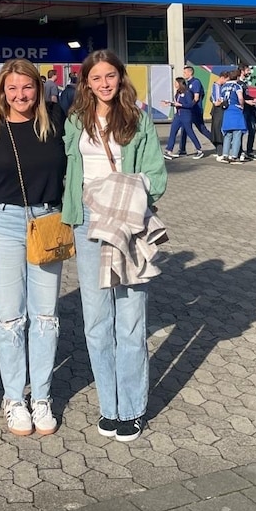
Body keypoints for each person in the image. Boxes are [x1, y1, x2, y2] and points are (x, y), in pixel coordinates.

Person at [62, 50, 167, 442]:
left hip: (126, 219)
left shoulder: (137, 120)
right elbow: (68, 172)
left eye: (110, 76)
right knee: (96, 319)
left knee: (130, 316)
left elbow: (156, 176)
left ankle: (134, 408)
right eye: (96, 78)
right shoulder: (75, 121)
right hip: (88, 222)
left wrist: (124, 196)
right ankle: (110, 405)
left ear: (121, 79)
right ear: (86, 83)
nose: (104, 84)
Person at [0, 59, 67, 437]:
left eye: (27, 87)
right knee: (10, 316)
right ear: (1, 90)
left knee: (46, 315)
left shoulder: (55, 118)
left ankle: (43, 397)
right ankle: (15, 397)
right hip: (2, 221)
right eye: (12, 88)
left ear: (39, 87)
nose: (20, 95)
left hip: (48, 220)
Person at [162, 77, 204, 159]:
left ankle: (199, 150)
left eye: (176, 83)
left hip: (186, 116)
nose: (175, 84)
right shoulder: (178, 92)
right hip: (178, 116)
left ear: (180, 83)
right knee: (173, 132)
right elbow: (177, 103)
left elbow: (190, 105)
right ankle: (169, 150)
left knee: (190, 132)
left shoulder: (187, 93)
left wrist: (180, 105)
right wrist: (170, 104)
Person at [178, 65, 211, 155]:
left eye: (185, 72)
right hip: (188, 111)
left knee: (202, 129)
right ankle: (182, 149)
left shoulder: (196, 82)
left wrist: (190, 105)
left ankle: (219, 144)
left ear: (190, 72)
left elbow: (196, 97)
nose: (183, 74)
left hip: (196, 110)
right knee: (184, 128)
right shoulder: (187, 83)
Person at [218, 70, 245, 163]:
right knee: (237, 133)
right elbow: (240, 98)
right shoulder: (237, 86)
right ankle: (234, 156)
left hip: (227, 111)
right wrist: (242, 105)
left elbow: (221, 99)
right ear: (237, 77)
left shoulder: (223, 86)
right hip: (235, 110)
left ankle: (225, 155)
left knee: (227, 134)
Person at [209, 71, 228, 155]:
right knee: (218, 130)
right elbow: (217, 102)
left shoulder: (218, 86)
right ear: (222, 78)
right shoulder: (217, 86)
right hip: (218, 110)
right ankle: (220, 150)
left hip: (218, 110)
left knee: (218, 129)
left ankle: (220, 150)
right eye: (226, 80)